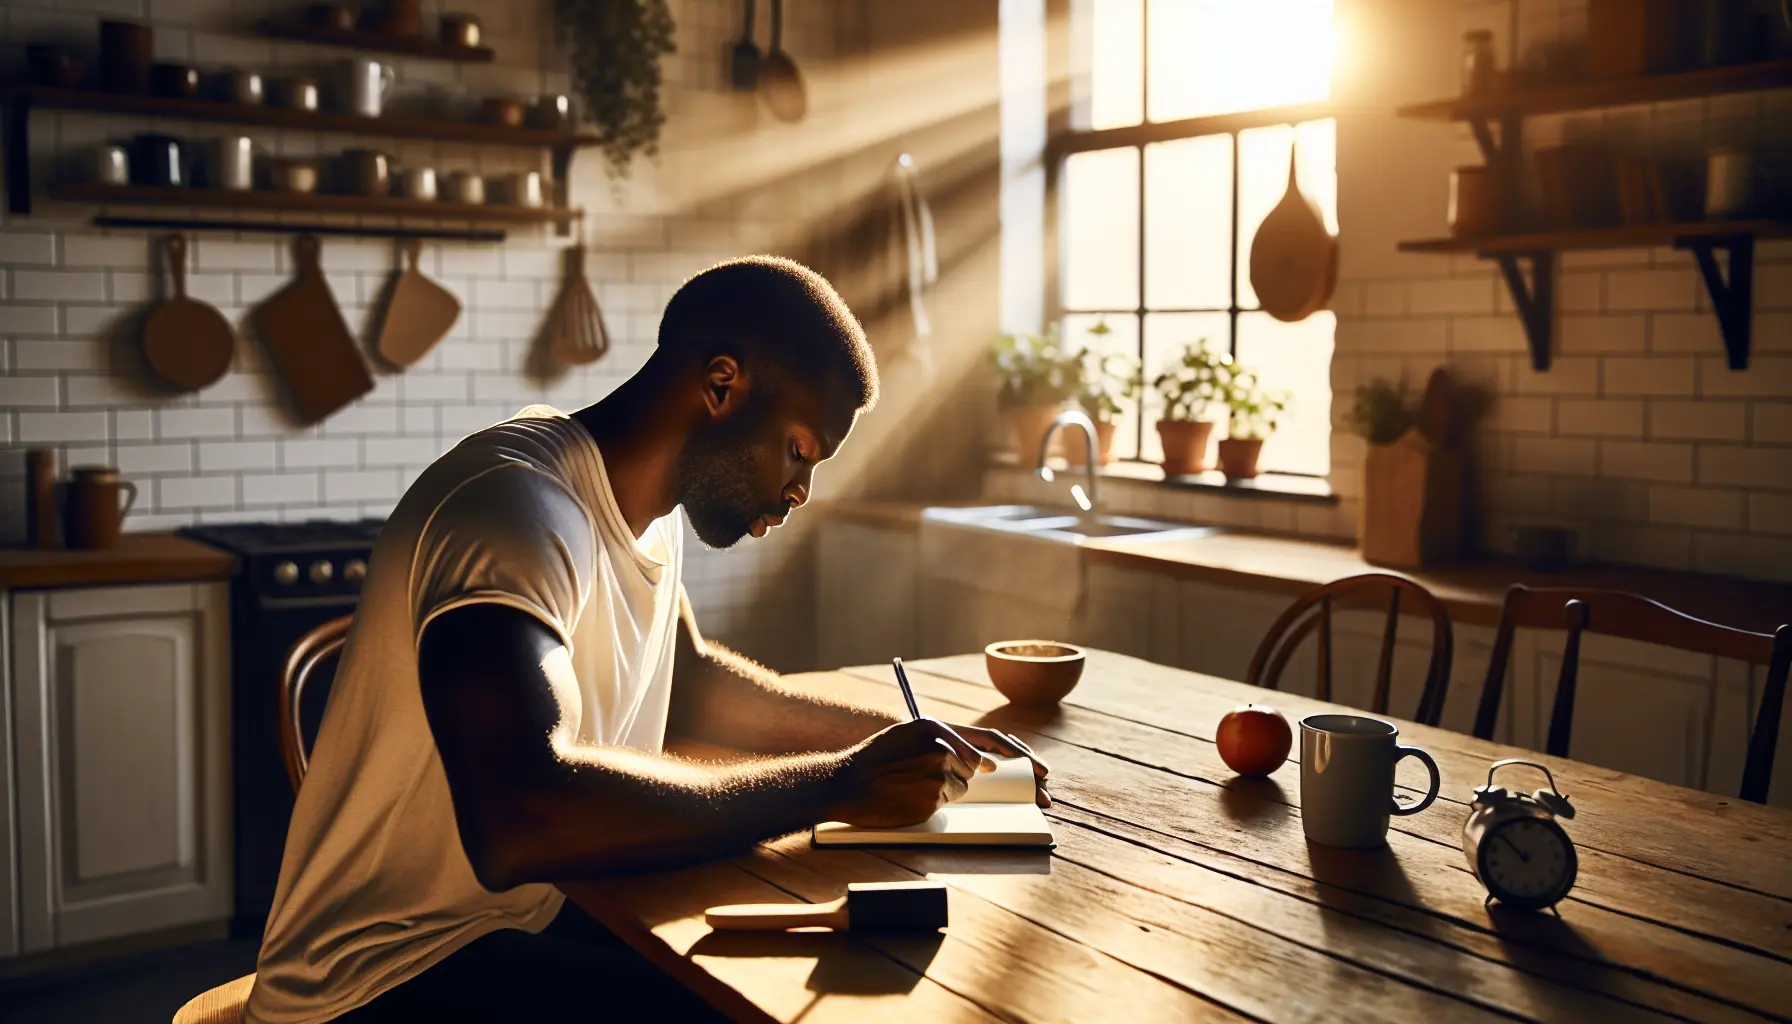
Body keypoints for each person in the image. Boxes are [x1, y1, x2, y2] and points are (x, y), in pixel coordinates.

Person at [245, 256, 1050, 1023]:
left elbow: (695, 684)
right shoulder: (512, 510)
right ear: (721, 385)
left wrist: (905, 745)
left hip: (522, 922)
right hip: (378, 978)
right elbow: (520, 818)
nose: (802, 489)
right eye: (799, 451)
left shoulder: (649, 516)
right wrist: (839, 785)